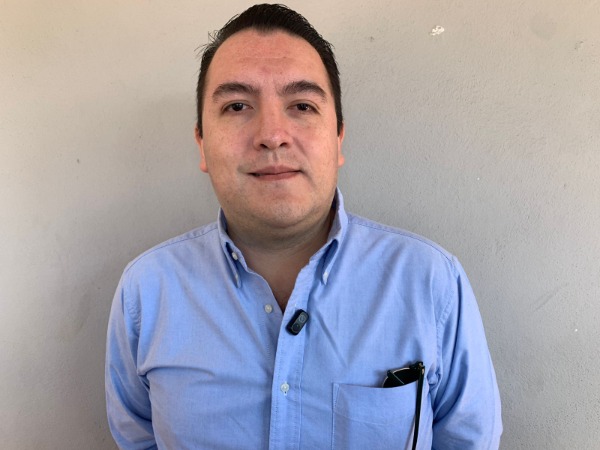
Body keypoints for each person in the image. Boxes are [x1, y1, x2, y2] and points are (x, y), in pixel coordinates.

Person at [105, 4, 502, 449]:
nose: (272, 134)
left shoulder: (431, 283)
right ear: (201, 143)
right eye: (237, 105)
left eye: (302, 105)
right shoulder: (147, 292)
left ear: (338, 138)